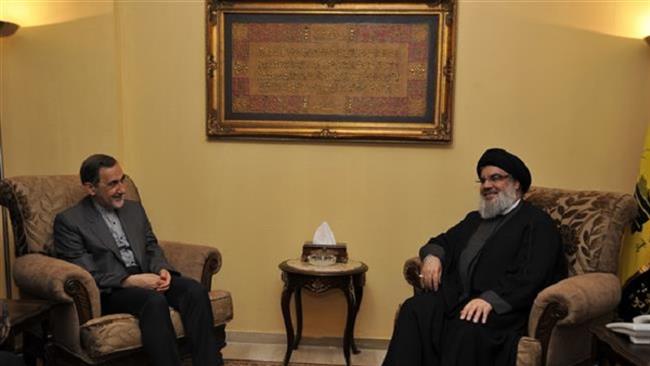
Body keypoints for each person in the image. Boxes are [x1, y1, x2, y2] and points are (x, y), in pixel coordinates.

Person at [383, 148, 567, 366]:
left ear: (516, 183)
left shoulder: (537, 223)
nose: (487, 185)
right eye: (483, 180)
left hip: (503, 309)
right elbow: (443, 241)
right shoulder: (476, 219)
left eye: (495, 178)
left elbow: (533, 274)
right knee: (414, 309)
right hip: (460, 298)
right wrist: (433, 257)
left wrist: (490, 300)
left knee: (467, 328)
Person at [54, 154, 220, 366]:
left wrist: (161, 269)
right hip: (112, 288)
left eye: (122, 180)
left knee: (194, 291)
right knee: (153, 301)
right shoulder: (69, 221)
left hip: (146, 275)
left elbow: (151, 245)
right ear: (90, 188)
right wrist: (130, 281)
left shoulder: (134, 209)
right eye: (113, 184)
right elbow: (84, 269)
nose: (122, 188)